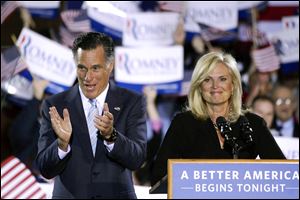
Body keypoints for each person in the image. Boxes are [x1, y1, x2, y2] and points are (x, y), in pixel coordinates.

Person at [36, 32, 147, 199]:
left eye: (95, 68)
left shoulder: (132, 102)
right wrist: (61, 144)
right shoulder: (55, 105)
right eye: (82, 68)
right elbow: (45, 168)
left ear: (110, 66)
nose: (88, 77)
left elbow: (137, 159)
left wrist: (111, 136)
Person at [150, 51, 285, 186]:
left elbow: (283, 174)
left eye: (223, 79)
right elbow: (159, 176)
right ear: (199, 87)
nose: (215, 86)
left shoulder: (253, 124)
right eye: (207, 80)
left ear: (233, 85)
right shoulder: (183, 123)